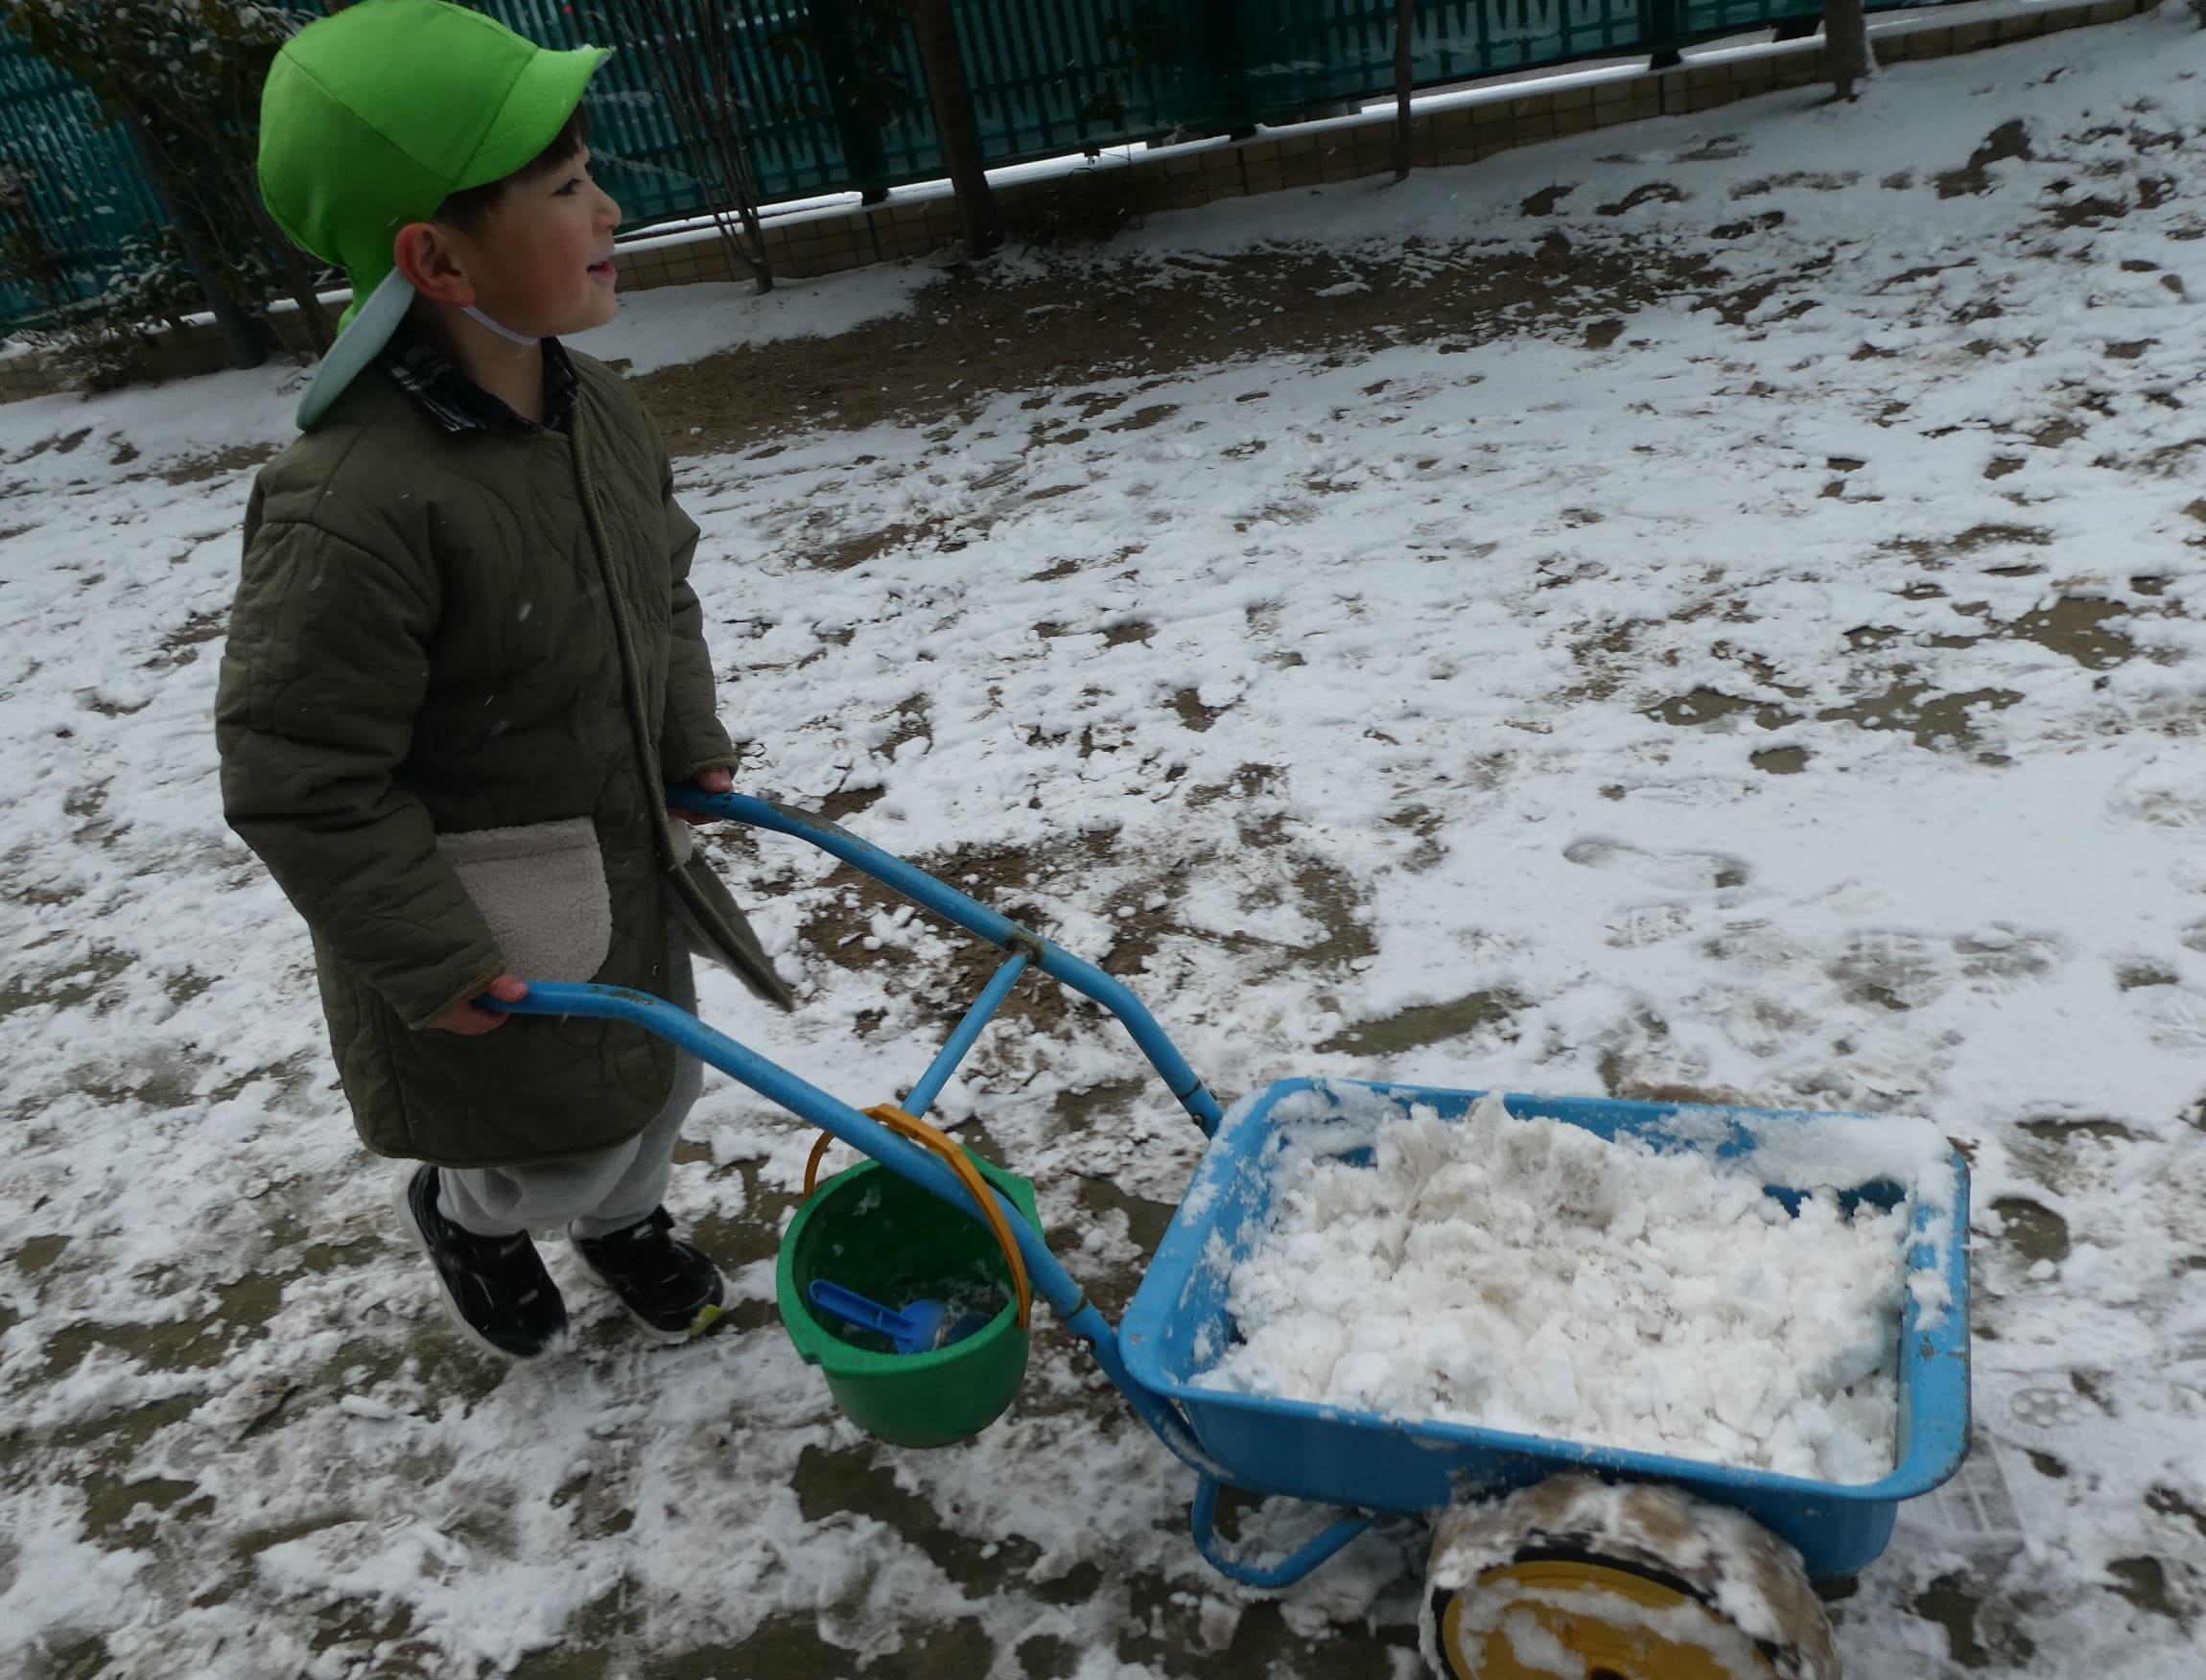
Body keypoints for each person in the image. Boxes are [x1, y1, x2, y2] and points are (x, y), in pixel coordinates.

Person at [216, 0, 791, 1362]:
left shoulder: (595, 407)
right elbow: (296, 775)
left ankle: (620, 1222)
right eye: (565, 186)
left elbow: (663, 585)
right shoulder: (355, 501)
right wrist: (430, 952)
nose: (607, 206)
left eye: (590, 173)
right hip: (488, 905)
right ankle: (475, 1216)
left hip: (623, 858)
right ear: (441, 259)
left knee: (653, 1082)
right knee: (545, 1131)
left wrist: (686, 737)